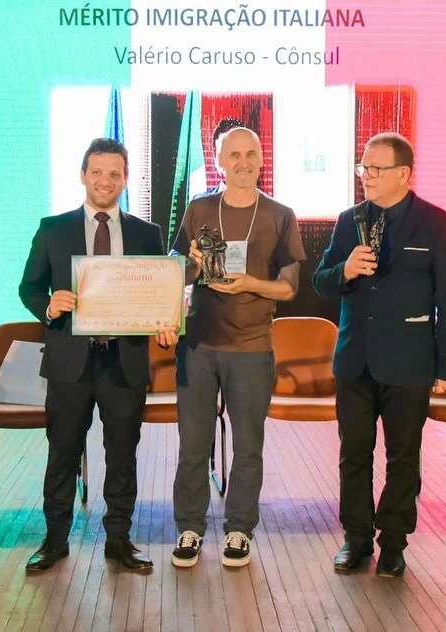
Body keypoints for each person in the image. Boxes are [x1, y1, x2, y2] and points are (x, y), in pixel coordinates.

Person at [312, 132, 446, 577]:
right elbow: (320, 282)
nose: (366, 176)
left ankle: (394, 542)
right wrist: (344, 270)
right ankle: (355, 538)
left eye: (376, 169)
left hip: (409, 361)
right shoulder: (348, 221)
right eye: (363, 167)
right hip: (355, 359)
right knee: (353, 453)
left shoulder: (438, 224)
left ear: (403, 173)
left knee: (403, 456)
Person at [19, 138, 177, 573]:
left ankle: (119, 540)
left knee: (123, 453)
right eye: (97, 172)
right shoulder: (53, 228)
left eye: (115, 173)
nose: (105, 180)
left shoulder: (147, 234)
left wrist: (165, 322)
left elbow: (158, 295)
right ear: (83, 175)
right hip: (70, 362)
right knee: (63, 452)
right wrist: (49, 306)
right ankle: (54, 541)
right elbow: (29, 287)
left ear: (125, 179)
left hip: (123, 361)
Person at [170, 127, 306, 568]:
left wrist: (251, 283)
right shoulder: (199, 208)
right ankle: (190, 527)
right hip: (199, 346)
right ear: (219, 160)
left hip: (251, 346)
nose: (243, 161)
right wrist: (189, 265)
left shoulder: (281, 214)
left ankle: (239, 531)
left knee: (249, 445)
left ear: (262, 158)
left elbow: (289, 288)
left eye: (251, 153)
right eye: (234, 155)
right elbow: (178, 275)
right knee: (193, 443)